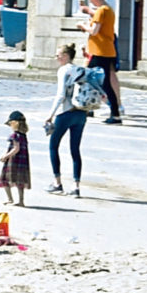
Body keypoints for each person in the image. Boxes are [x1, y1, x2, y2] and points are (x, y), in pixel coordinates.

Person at [44, 44, 93, 196]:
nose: (56, 57)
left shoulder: (63, 70)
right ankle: (76, 187)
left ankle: (57, 183)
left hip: (65, 113)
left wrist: (50, 114)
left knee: (53, 146)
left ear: (66, 56)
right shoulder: (80, 69)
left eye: (58, 55)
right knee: (75, 150)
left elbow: (61, 95)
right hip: (81, 113)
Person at [84, 0, 123, 124]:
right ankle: (114, 112)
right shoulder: (108, 10)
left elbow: (94, 31)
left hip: (100, 52)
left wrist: (82, 26)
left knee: (89, 78)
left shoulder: (101, 11)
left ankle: (95, 106)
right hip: (106, 50)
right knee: (102, 82)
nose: (90, 1)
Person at [0, 110, 31, 207]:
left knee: (5, 179)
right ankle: (21, 201)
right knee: (20, 181)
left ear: (14, 124)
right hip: (23, 161)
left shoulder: (14, 135)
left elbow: (16, 148)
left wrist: (6, 156)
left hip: (13, 161)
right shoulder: (24, 135)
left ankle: (10, 199)